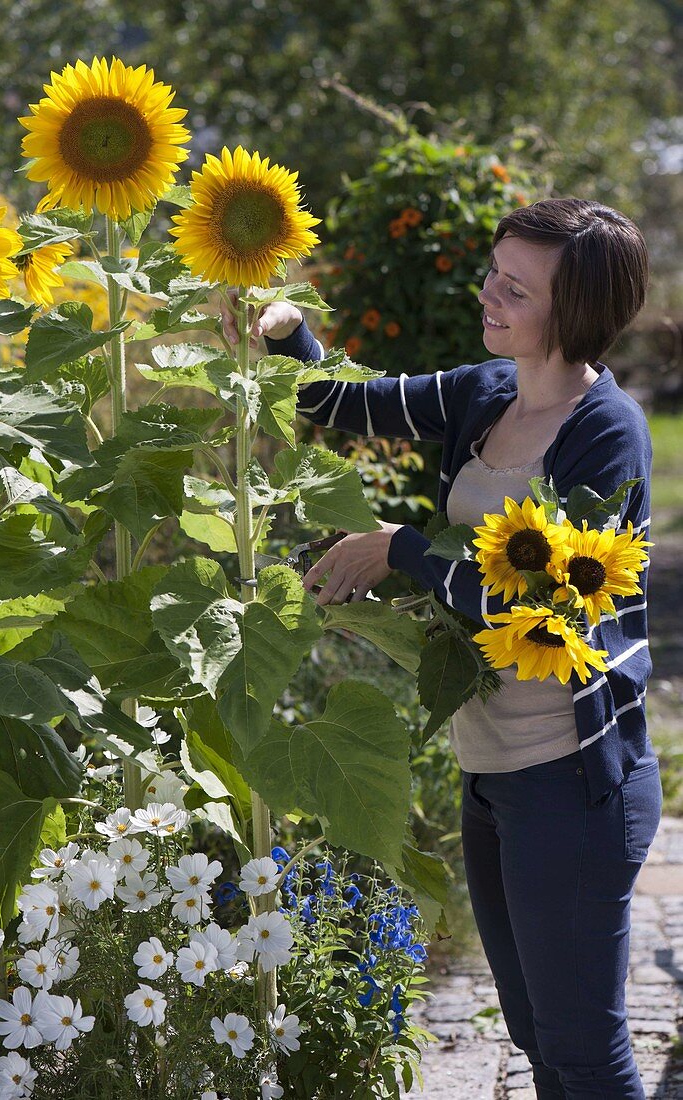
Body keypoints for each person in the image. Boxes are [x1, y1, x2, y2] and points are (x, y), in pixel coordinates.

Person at [221, 197, 663, 1098]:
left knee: (586, 1054)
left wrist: (403, 551)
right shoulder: (487, 392)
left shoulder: (606, 436)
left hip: (572, 783)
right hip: (492, 769)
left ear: (574, 311)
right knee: (541, 1039)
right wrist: (288, 328)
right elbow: (342, 401)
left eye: (515, 287)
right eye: (493, 273)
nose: (487, 294)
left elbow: (542, 603)